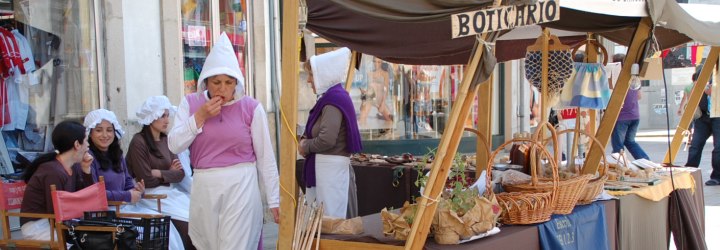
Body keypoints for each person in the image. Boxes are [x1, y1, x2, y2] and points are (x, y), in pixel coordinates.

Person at [168, 32, 280, 249]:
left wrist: (274, 200)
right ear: (206, 81)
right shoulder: (191, 104)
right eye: (216, 82)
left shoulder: (251, 108)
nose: (222, 88)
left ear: (236, 83)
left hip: (241, 186)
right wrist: (199, 117)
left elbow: (266, 157)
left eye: (229, 83)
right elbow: (174, 144)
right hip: (205, 186)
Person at [81, 108, 185, 249]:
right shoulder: (88, 159)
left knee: (164, 225)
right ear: (90, 133)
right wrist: (128, 195)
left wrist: (138, 190)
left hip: (125, 207)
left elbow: (129, 182)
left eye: (109, 130)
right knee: (150, 228)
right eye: (99, 130)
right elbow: (94, 193)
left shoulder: (116, 155)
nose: (105, 135)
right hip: (106, 214)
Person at [299, 48, 363, 218]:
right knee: (325, 220)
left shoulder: (333, 100)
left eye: (311, 75)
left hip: (329, 172)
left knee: (329, 221)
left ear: (323, 75)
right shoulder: (332, 98)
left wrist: (306, 145)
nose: (309, 81)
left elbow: (327, 139)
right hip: (327, 169)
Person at [126, 95, 194, 249]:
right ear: (151, 117)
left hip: (170, 194)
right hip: (150, 197)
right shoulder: (138, 142)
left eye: (167, 115)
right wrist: (168, 173)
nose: (167, 120)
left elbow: (180, 174)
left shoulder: (167, 140)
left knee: (199, 221)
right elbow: (145, 180)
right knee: (188, 226)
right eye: (162, 116)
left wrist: (158, 172)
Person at [20, 121, 93, 240]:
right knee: (86, 241)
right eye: (86, 141)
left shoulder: (72, 166)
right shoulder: (52, 171)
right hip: (39, 226)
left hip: (58, 222)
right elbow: (55, 214)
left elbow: (86, 197)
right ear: (77, 144)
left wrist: (86, 169)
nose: (88, 145)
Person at [610, 54, 650, 160]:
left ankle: (620, 167)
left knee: (618, 146)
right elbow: (639, 96)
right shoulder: (634, 77)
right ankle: (646, 162)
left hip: (621, 116)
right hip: (635, 115)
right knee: (630, 142)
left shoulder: (615, 77)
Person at [684, 71, 720, 186]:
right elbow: (693, 93)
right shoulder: (704, 70)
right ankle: (689, 172)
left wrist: (714, 92)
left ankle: (716, 176)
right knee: (695, 145)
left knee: (718, 148)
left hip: (718, 116)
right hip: (703, 117)